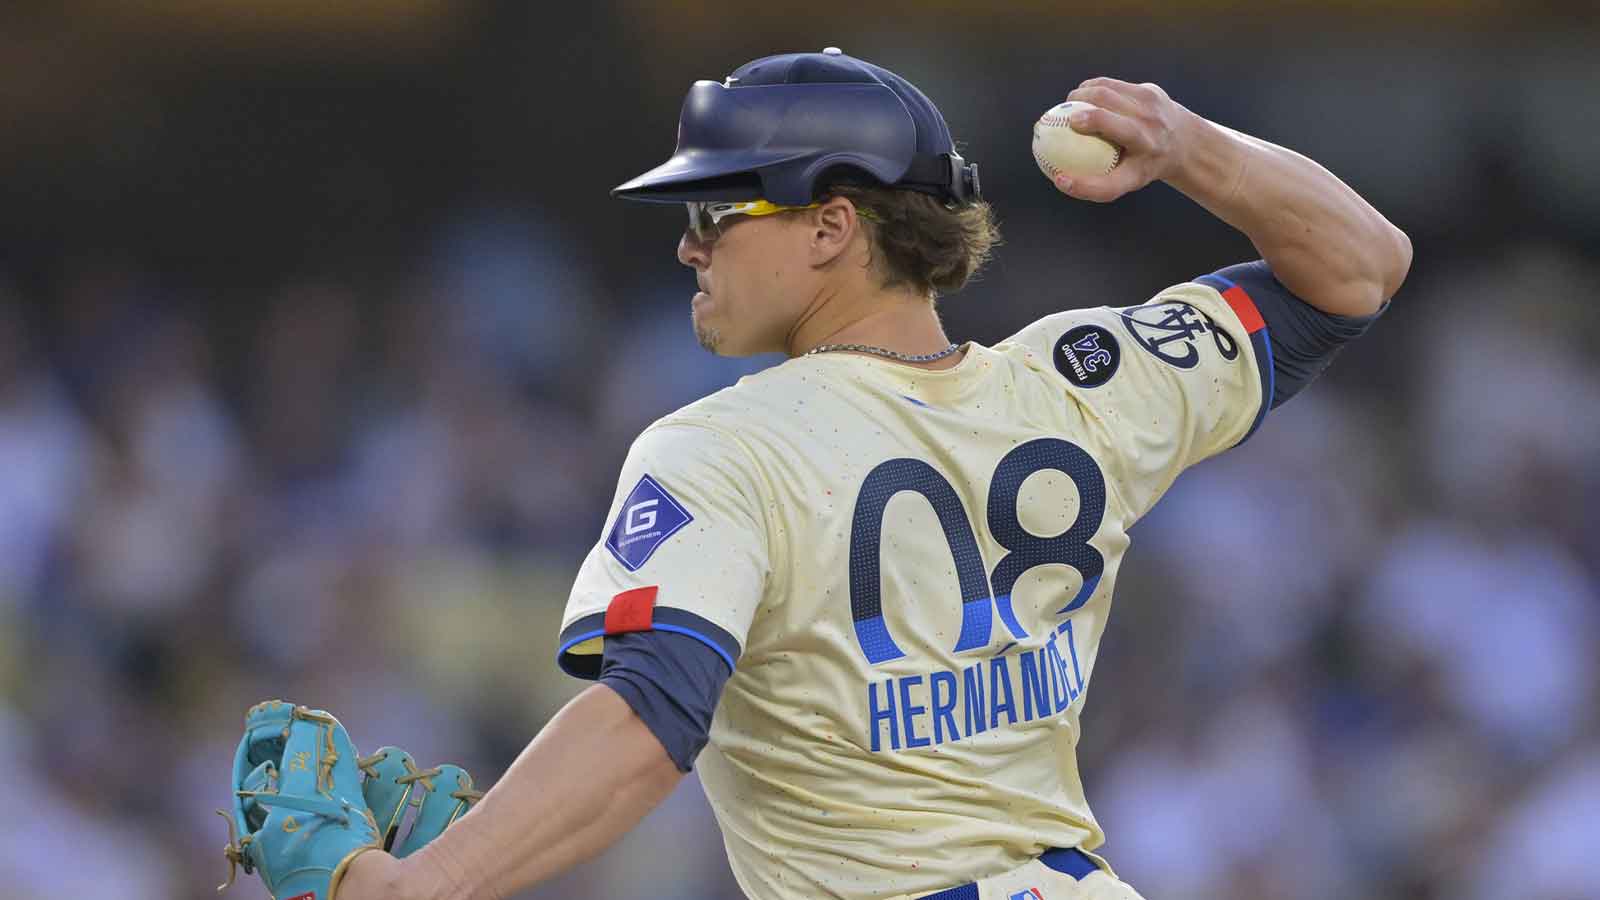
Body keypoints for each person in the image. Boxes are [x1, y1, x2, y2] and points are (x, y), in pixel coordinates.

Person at [337, 47, 1410, 900]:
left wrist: (433, 881)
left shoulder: (722, 445)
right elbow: (1358, 266)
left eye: (717, 211)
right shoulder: (1084, 383)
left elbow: (651, 717)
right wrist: (1184, 147)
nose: (688, 247)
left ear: (830, 227)